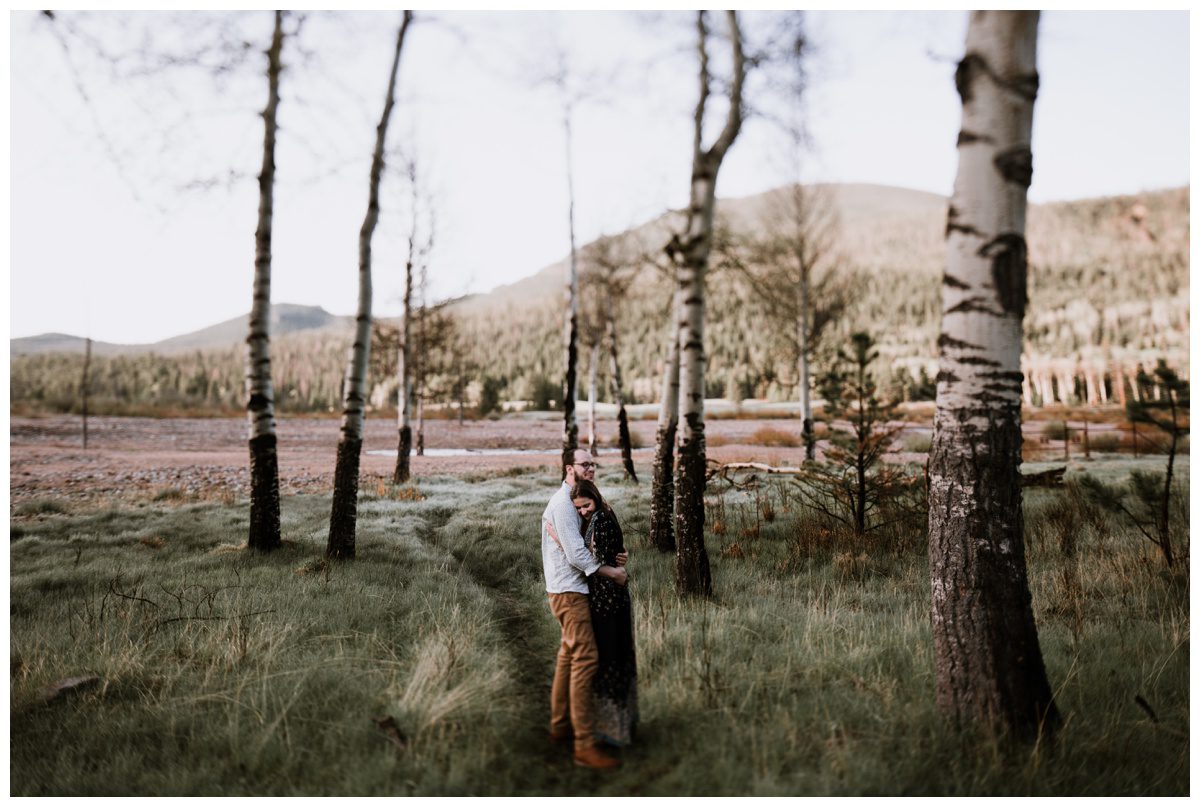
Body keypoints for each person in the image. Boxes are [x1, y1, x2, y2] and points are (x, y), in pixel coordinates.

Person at [541, 448, 627, 770]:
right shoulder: (563, 504)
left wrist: (615, 555)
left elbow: (589, 544)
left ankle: (560, 726)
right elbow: (577, 555)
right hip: (569, 592)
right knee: (586, 658)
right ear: (569, 468)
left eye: (593, 463)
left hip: (568, 589)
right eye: (584, 464)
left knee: (568, 653)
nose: (591, 468)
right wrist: (612, 573)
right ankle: (584, 746)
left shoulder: (574, 500)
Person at [569, 478, 638, 747]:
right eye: (578, 508)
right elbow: (614, 554)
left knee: (611, 659)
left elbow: (596, 559)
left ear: (594, 498)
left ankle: (614, 730)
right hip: (606, 598)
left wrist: (560, 540)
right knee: (613, 658)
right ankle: (615, 726)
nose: (583, 511)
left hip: (609, 601)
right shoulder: (599, 516)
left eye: (586, 505)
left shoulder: (602, 519)